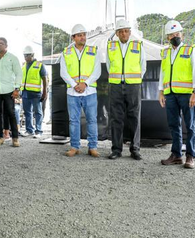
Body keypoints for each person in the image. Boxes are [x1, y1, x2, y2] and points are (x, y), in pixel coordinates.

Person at [159, 20, 195, 169]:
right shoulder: (165, 52)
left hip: (187, 94)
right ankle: (176, 155)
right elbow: (162, 73)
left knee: (190, 125)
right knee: (173, 125)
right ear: (167, 37)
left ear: (182, 35)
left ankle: (190, 156)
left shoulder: (190, 50)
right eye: (171, 35)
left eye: (177, 34)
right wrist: (161, 92)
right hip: (170, 94)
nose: (175, 36)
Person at [105, 19, 145, 160]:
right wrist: (117, 79)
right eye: (121, 31)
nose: (123, 34)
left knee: (134, 117)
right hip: (115, 85)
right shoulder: (110, 46)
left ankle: (135, 149)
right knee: (116, 118)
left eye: (126, 31)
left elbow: (143, 65)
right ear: (116, 33)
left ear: (130, 32)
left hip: (133, 86)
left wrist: (135, 80)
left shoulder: (138, 45)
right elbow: (109, 65)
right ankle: (116, 149)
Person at [60, 25, 101, 157]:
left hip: (89, 91)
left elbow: (97, 71)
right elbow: (63, 72)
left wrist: (85, 84)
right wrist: (74, 85)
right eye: (79, 35)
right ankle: (74, 147)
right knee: (73, 121)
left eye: (84, 34)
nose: (83, 37)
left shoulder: (93, 51)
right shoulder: (66, 52)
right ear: (73, 37)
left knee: (92, 120)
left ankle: (92, 147)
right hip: (73, 92)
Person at [21, 46, 48, 138]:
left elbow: (44, 79)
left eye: (27, 55)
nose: (26, 57)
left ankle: (38, 131)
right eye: (24, 55)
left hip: (36, 93)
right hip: (25, 93)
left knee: (38, 112)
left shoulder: (39, 65)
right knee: (27, 112)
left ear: (32, 55)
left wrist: (45, 92)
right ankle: (29, 130)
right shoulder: (24, 66)